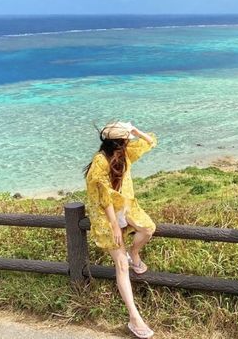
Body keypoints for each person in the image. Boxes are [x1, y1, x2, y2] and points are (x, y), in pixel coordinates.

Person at [84, 121, 158, 339]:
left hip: (126, 207)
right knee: (121, 265)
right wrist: (115, 225)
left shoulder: (124, 153)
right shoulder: (100, 161)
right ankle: (134, 318)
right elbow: (104, 196)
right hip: (106, 217)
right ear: (118, 141)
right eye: (127, 137)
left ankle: (134, 252)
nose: (130, 140)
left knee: (148, 229)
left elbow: (150, 142)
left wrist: (136, 130)